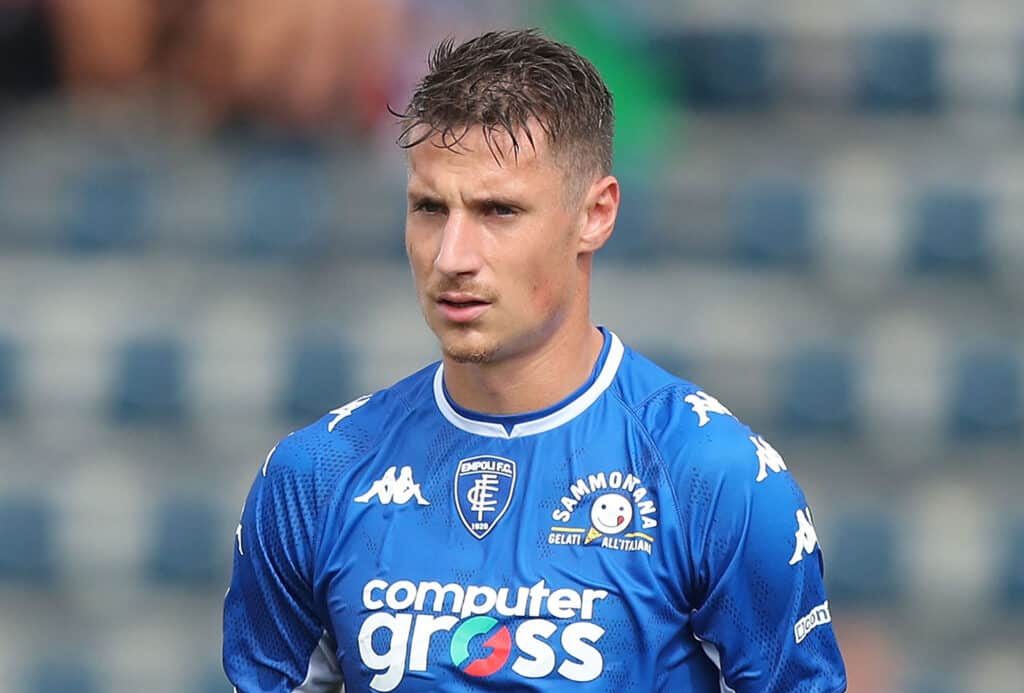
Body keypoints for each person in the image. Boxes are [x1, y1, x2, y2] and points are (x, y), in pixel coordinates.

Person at [223, 29, 847, 692]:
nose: (451, 255)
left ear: (595, 215)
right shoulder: (314, 478)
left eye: (498, 210)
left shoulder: (712, 479)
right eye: (430, 208)